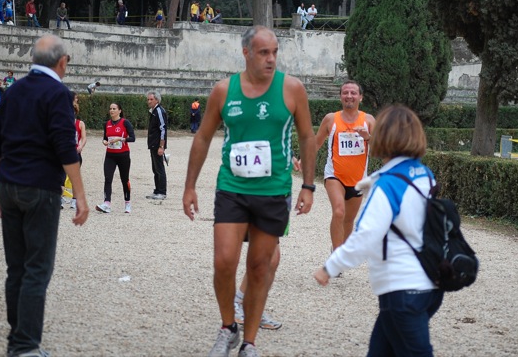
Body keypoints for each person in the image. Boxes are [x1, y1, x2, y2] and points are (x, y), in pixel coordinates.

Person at [182, 26, 316, 357]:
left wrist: (309, 186)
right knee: (224, 261)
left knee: (259, 266)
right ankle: (228, 327)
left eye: (274, 52)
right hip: (233, 186)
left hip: (273, 190)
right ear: (246, 53)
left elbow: (307, 137)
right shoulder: (223, 91)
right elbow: (202, 137)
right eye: (263, 53)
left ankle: (249, 342)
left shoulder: (292, 89)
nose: (271, 59)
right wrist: (189, 186)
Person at [314, 104, 444, 357]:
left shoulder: (387, 186)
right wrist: (370, 181)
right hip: (429, 280)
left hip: (403, 288)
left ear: (383, 138)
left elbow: (366, 235)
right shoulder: (425, 174)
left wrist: (331, 266)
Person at [0, 34, 89, 357]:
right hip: (40, 187)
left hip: (8, 185)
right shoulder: (58, 94)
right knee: (37, 268)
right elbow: (65, 147)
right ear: (62, 62)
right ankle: (24, 345)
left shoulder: (12, 91)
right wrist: (80, 194)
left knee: (16, 267)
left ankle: (17, 337)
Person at [315, 80, 375, 250]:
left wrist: (367, 137)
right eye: (345, 93)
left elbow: (381, 148)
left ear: (361, 97)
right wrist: (304, 160)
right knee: (339, 212)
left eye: (353, 93)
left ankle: (339, 250)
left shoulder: (368, 120)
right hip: (334, 175)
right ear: (340, 96)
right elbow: (316, 142)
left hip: (358, 180)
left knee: (349, 221)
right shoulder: (330, 119)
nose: (349, 96)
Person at [96, 102, 135, 213]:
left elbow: (133, 138)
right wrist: (104, 141)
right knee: (108, 178)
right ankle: (106, 203)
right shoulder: (107, 123)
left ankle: (127, 203)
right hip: (110, 155)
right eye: (110, 109)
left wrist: (120, 139)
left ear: (119, 111)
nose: (112, 110)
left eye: (114, 108)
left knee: (124, 179)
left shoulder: (125, 122)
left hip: (123, 155)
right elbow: (105, 137)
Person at [146, 91, 168, 200]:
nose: (149, 101)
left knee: (159, 168)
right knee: (155, 169)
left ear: (157, 100)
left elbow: (163, 129)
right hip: (153, 144)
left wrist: (162, 146)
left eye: (151, 99)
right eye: (148, 99)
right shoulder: (153, 111)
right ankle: (157, 190)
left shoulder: (159, 111)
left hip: (157, 145)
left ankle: (162, 192)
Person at [69, 93, 87, 210]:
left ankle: (74, 200)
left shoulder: (80, 123)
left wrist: (81, 145)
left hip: (75, 152)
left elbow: (84, 138)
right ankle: (60, 198)